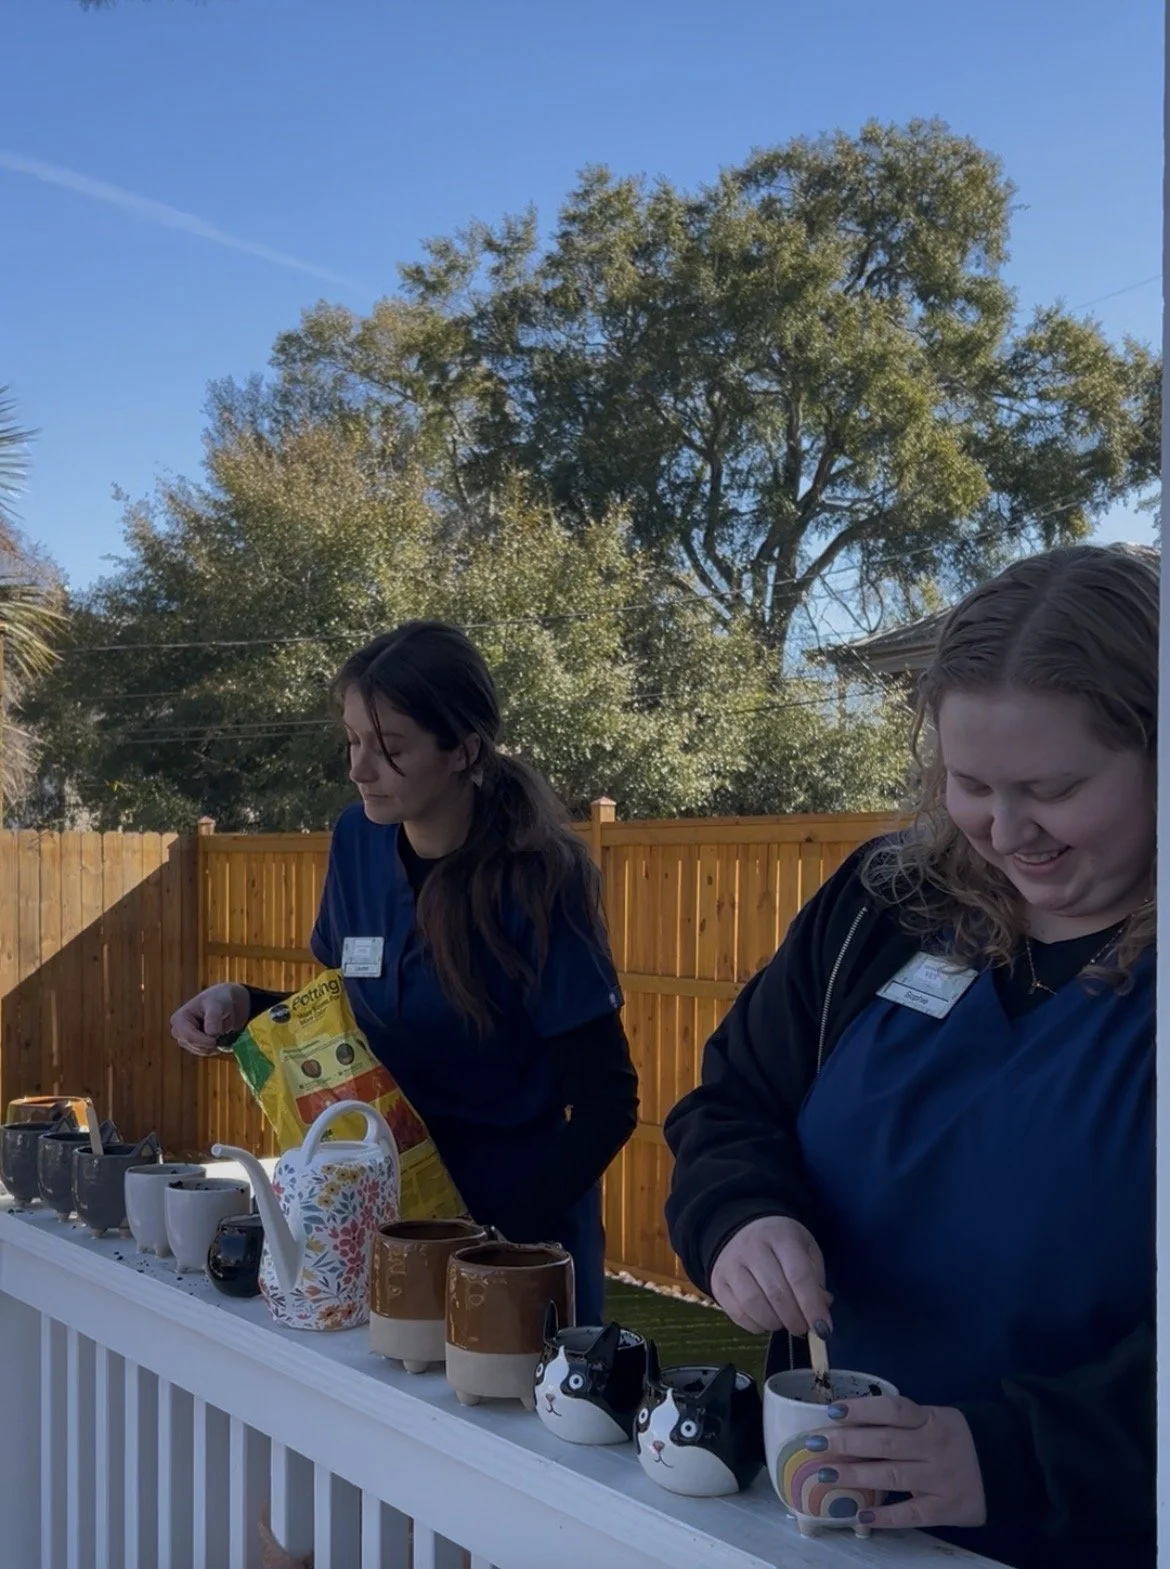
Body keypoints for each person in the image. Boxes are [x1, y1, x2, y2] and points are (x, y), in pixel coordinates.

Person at [663, 544, 1156, 1569]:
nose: (1008, 831)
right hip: (827, 1526)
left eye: (1055, 788)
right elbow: (732, 1107)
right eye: (969, 783)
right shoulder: (887, 901)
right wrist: (738, 1215)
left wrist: (1014, 1456)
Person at [171, 620, 639, 1325]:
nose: (361, 768)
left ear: (464, 751)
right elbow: (349, 1017)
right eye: (354, 740)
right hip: (384, 1214)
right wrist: (243, 1003)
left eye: (390, 749)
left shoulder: (541, 880)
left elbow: (607, 1101)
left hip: (515, 1232)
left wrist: (500, 1234)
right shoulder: (357, 839)